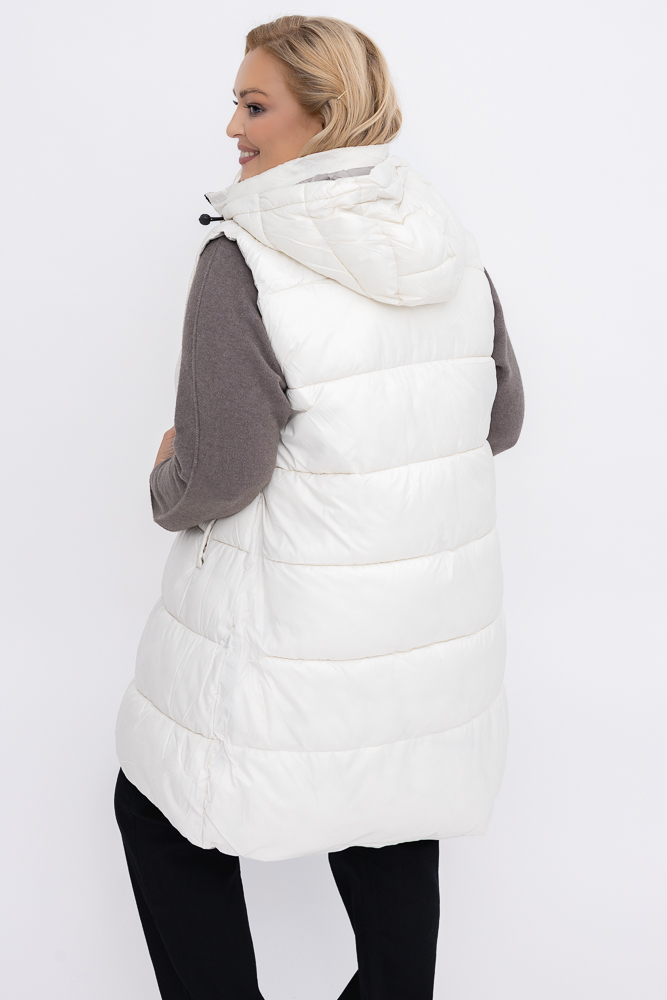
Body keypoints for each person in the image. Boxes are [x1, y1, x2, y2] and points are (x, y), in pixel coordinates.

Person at [114, 15, 524, 1000]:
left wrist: (166, 477)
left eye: (254, 106)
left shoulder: (244, 258)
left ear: (326, 115)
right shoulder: (447, 245)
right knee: (388, 815)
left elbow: (222, 474)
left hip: (287, 633)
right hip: (423, 639)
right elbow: (500, 420)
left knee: (158, 815)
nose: (232, 128)